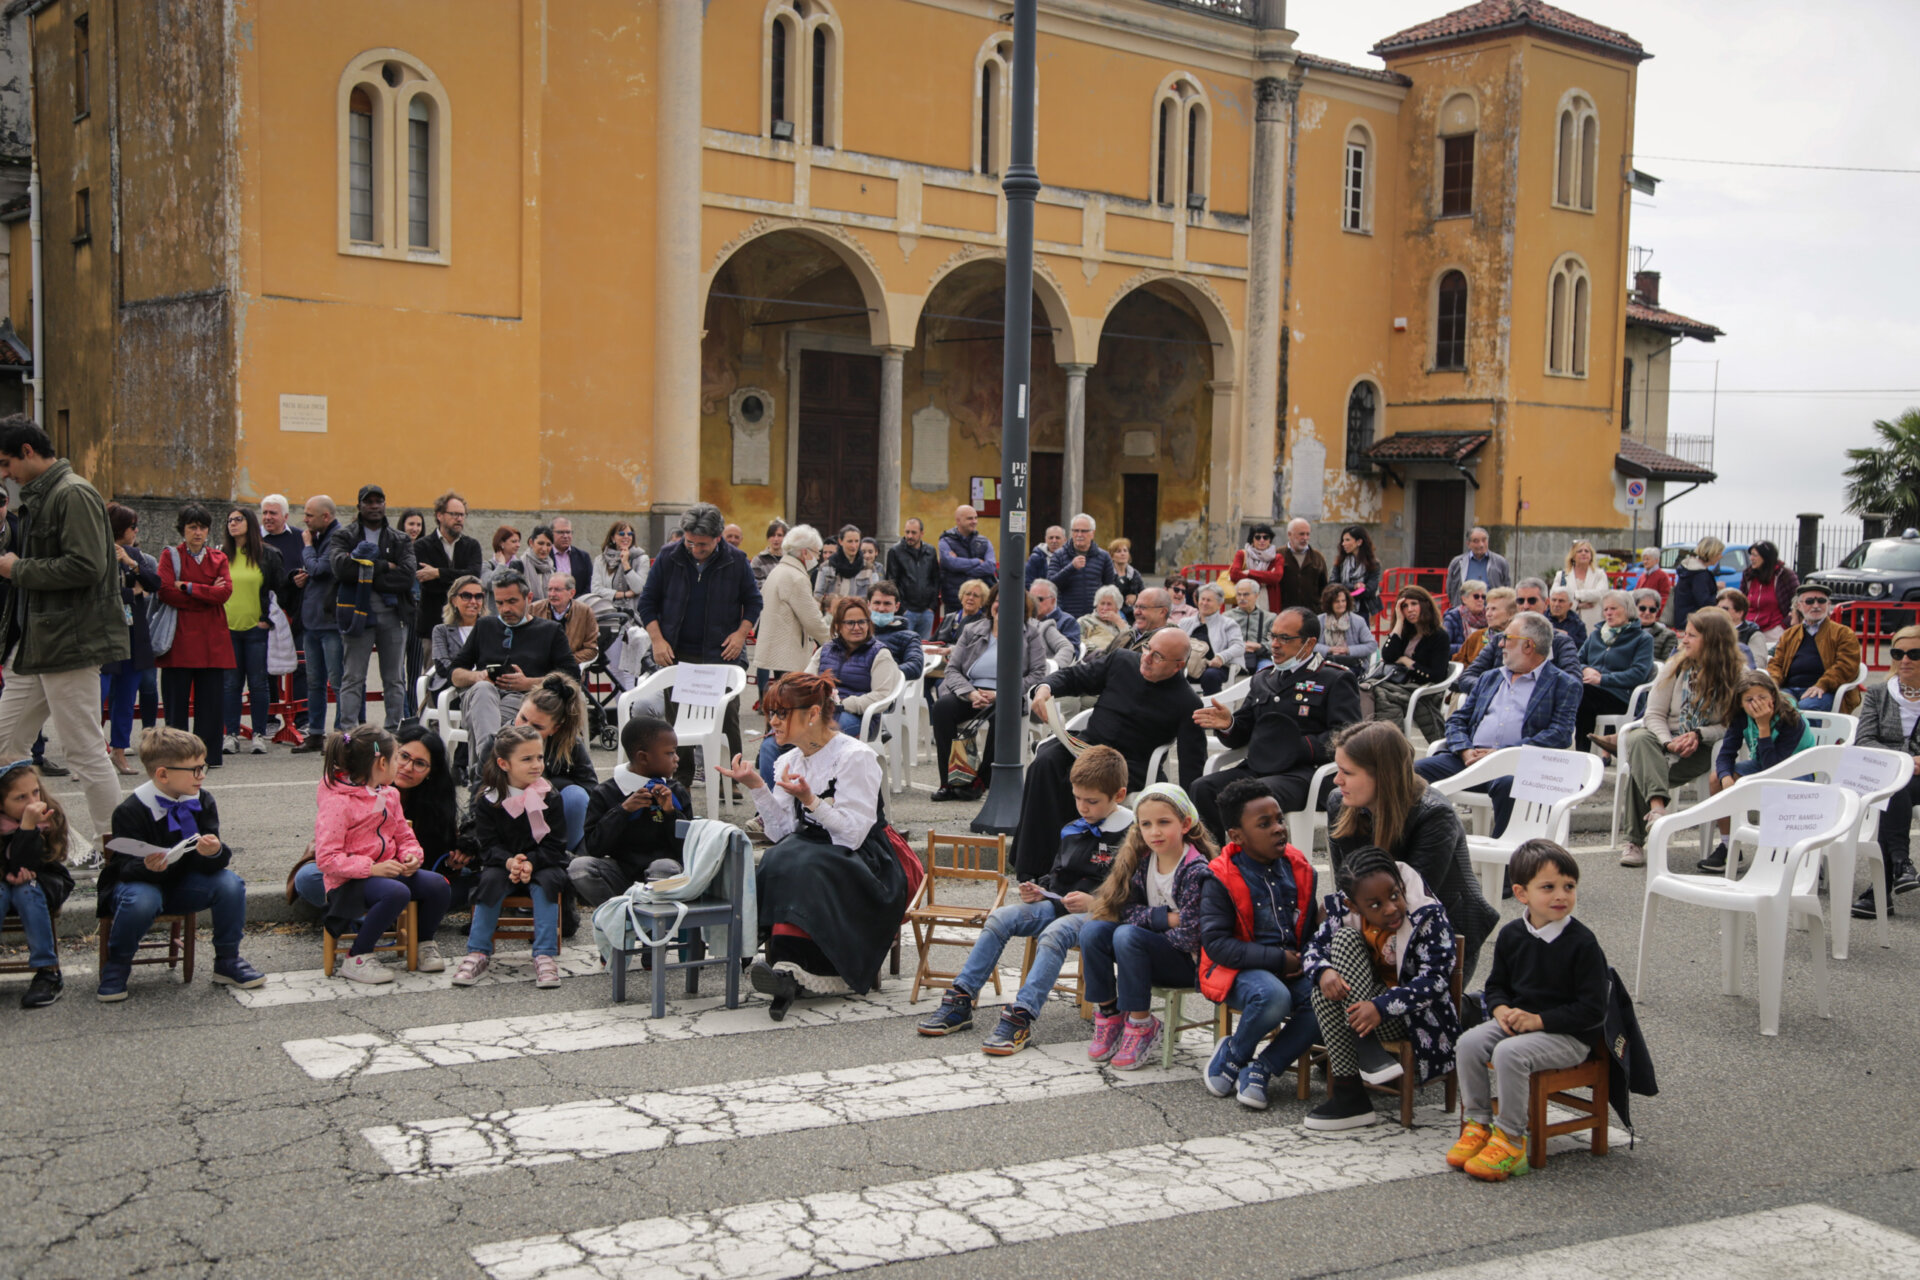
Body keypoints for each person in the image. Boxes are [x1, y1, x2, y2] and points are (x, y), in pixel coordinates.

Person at [716, 672, 909, 1018]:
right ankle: (784, 964)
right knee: (779, 857)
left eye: (781, 713)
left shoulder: (854, 756)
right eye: (770, 713)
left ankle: (808, 967)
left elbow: (851, 835)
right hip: (813, 849)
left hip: (864, 858)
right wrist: (757, 786)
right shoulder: (787, 760)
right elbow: (783, 831)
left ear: (813, 713)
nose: (773, 721)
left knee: (799, 861)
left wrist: (810, 799)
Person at [917, 745, 1133, 1054]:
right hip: (1059, 903)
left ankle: (1020, 1017)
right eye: (1077, 798)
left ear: (1119, 795)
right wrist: (1039, 888)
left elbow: (1134, 893)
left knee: (1054, 933)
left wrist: (1094, 903)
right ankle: (960, 999)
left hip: (1100, 914)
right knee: (1001, 917)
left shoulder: (1131, 833)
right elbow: (1059, 873)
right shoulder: (1073, 828)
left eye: (1092, 801)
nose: (1083, 807)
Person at [0, 416, 126, 851]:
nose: (4, 474)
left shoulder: (72, 492)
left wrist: (18, 568)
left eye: (6, 463)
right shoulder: (45, 494)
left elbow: (88, 565)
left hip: (69, 642)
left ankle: (117, 853)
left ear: (28, 452)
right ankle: (68, 848)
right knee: (3, 748)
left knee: (85, 751)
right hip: (37, 642)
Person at [1447, 839, 1608, 1182]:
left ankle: (1511, 1140)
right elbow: (1496, 986)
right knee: (1468, 1044)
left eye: (1569, 886)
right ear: (1521, 894)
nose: (1561, 895)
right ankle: (1477, 1124)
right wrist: (1501, 1008)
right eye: (1548, 887)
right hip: (1520, 1024)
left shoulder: (1582, 943)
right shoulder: (1511, 935)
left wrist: (1539, 1020)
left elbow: (1593, 1009)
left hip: (1567, 1035)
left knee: (1509, 1054)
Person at [1015, 629, 1208, 876]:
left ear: (1177, 666)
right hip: (1087, 745)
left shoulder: (1187, 701)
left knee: (1079, 780)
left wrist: (1188, 816)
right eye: (1147, 648)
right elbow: (1075, 677)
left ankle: (1063, 866)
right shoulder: (1122, 661)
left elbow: (1193, 763)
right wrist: (1044, 688)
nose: (1146, 657)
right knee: (1044, 763)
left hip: (1129, 764)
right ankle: (1031, 866)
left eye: (1157, 656)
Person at [99, 726, 265, 1000]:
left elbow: (217, 863)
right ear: (163, 774)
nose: (202, 776)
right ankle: (116, 966)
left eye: (203, 767)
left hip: (185, 885)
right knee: (143, 900)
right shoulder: (130, 810)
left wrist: (212, 852)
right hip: (139, 887)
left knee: (231, 884)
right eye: (195, 770)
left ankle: (227, 959)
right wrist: (148, 867)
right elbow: (124, 868)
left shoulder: (202, 800)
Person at [1301, 848, 1461, 1131]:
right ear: (1354, 905)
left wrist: (1381, 1007)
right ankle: (1353, 1087)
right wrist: (1323, 971)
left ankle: (1350, 1092)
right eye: (1374, 905)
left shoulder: (1428, 915)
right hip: (1366, 1010)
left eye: (1395, 895)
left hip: (1411, 1019)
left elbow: (1435, 981)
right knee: (1333, 966)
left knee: (1338, 960)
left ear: (1401, 885)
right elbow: (1313, 949)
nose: (1390, 908)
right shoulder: (1343, 910)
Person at [1326, 721, 1499, 979]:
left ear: (1382, 775)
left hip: (1441, 928)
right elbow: (1347, 885)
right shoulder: (1340, 802)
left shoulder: (1434, 814)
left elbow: (1410, 900)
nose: (1337, 780)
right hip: (1375, 921)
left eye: (1347, 773)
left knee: (1400, 1011)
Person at [1197, 779, 1323, 1110]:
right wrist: (1279, 960)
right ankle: (1235, 1052)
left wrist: (1308, 961)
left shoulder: (1301, 869)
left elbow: (1311, 931)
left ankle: (1263, 1068)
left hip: (1292, 967)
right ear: (1237, 836)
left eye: (1279, 819)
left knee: (1325, 999)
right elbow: (1216, 943)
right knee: (1273, 996)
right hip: (1235, 970)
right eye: (1264, 824)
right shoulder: (1220, 876)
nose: (1279, 829)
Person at [1190, 609, 1359, 841]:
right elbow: (1242, 732)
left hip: (1304, 772)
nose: (1275, 645)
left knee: (1254, 796)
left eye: (1285, 638)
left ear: (1309, 644)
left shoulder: (1334, 678)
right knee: (1203, 788)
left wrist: (1295, 747)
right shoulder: (1264, 677)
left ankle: (1259, 867)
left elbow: (1347, 737)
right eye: (1273, 637)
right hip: (1259, 767)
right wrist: (1228, 724)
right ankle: (1216, 861)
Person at [1080, 783, 1214, 1070]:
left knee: (1129, 936)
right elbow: (1124, 909)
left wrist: (1144, 926)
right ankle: (1110, 1013)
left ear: (1185, 823)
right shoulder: (1143, 862)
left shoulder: (1196, 870)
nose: (1155, 832)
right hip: (1148, 951)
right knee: (1093, 930)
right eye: (1146, 824)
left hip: (1187, 964)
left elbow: (1190, 935)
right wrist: (1163, 919)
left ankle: (1141, 1024)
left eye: (1164, 822)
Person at [1417, 613, 1582, 837]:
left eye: (1507, 638)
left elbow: (1560, 734)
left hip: (1515, 766)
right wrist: (1464, 749)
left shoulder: (1564, 684)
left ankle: (1505, 863)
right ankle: (1424, 847)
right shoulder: (1489, 678)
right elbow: (1458, 719)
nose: (1500, 643)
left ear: (1528, 645)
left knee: (1509, 785)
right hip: (1470, 760)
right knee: (1412, 773)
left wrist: (1501, 755)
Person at [313, 725, 452, 983]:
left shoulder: (389, 794)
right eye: (398, 757)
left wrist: (412, 856)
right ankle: (358, 956)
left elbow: (404, 835)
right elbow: (327, 858)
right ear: (382, 763)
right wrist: (372, 869)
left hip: (385, 873)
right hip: (348, 883)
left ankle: (423, 942)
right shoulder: (338, 801)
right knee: (396, 892)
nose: (400, 766)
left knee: (438, 885)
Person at [638, 503, 762, 783]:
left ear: (718, 538)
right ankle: (680, 778)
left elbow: (754, 602)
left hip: (722, 653)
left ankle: (733, 779)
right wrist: (657, 640)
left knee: (727, 715)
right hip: (678, 651)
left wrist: (741, 634)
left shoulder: (736, 560)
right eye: (690, 542)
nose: (695, 549)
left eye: (703, 545)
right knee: (677, 721)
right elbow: (646, 603)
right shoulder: (669, 557)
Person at [1616, 607, 1744, 868]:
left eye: (1692, 636)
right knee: (1640, 739)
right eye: (1684, 634)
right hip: (1665, 739)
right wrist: (1668, 742)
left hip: (1704, 748)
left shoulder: (1736, 676)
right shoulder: (1675, 666)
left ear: (1713, 640)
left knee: (1642, 765)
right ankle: (1657, 806)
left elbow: (1732, 726)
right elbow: (1653, 714)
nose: (1683, 640)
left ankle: (1634, 841)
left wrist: (1699, 734)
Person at [291, 723, 466, 910]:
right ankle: (366, 915)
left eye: (420, 764)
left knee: (450, 884)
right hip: (350, 870)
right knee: (307, 878)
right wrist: (371, 869)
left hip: (396, 875)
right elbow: (330, 854)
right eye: (403, 756)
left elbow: (430, 858)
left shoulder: (435, 803)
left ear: (432, 772)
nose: (407, 767)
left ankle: (381, 913)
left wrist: (422, 860)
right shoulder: (356, 789)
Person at [453, 725, 569, 989]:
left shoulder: (550, 796)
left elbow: (556, 845)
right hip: (502, 863)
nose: (536, 764)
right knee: (490, 881)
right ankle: (478, 951)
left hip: (542, 862)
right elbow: (487, 845)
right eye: (527, 759)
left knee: (549, 883)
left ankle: (544, 954)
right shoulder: (488, 799)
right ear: (504, 763)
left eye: (539, 757)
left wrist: (530, 862)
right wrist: (509, 862)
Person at [755, 596, 901, 783]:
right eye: (850, 623)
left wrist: (845, 704)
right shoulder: (825, 650)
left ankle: (814, 800)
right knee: (770, 746)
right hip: (817, 713)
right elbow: (805, 684)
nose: (857, 627)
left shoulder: (880, 654)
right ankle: (775, 807)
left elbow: (883, 695)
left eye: (862, 622)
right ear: (838, 625)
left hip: (858, 717)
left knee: (824, 737)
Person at [929, 592, 1053, 802]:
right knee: (942, 708)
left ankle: (981, 780)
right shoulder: (972, 630)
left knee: (1003, 715)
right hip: (971, 692)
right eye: (998, 601)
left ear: (1021, 609)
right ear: (991, 605)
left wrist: (1001, 695)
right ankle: (951, 782)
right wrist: (971, 693)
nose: (1002, 606)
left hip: (1007, 696)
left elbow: (1038, 674)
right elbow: (952, 670)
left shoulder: (1031, 634)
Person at [1698, 669, 1816, 873]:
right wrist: (1726, 778)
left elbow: (1775, 771)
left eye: (1762, 697)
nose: (1756, 704)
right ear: (1740, 702)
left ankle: (1795, 852)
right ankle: (1728, 845)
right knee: (1716, 778)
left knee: (1777, 788)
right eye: (1749, 699)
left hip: (1796, 769)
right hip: (1764, 763)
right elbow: (1726, 754)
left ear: (1773, 696)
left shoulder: (1790, 719)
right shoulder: (1741, 715)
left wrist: (1763, 727)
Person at [567, 714, 690, 908]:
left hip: (664, 873)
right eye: (670, 753)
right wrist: (622, 811)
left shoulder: (675, 792)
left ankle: (652, 927)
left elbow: (687, 848)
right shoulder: (606, 792)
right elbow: (594, 847)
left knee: (663, 868)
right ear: (643, 757)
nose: (676, 759)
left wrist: (670, 813)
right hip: (622, 873)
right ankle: (622, 918)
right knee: (579, 868)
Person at [449, 570, 581, 748]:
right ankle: (489, 761)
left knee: (494, 718)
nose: (505, 609)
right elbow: (455, 673)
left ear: (528, 598)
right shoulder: (485, 626)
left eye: (512, 601)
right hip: (481, 698)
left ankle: (482, 767)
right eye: (499, 603)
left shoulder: (550, 631)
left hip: (524, 699)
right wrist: (477, 676)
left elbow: (572, 676)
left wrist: (529, 683)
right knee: (483, 689)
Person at [328, 484, 417, 731]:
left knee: (395, 679)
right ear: (359, 506)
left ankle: (395, 731)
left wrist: (364, 572)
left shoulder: (400, 538)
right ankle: (347, 733)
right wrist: (384, 566)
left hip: (393, 615)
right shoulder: (344, 536)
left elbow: (407, 577)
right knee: (352, 678)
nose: (374, 506)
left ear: (385, 505)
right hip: (356, 615)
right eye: (369, 502)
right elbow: (340, 569)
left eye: (379, 501)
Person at [1849, 624, 1920, 919]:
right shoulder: (1879, 692)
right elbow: (1864, 739)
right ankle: (1901, 863)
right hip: (1886, 774)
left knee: (1894, 791)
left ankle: (1881, 889)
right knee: (1895, 788)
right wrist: (1904, 761)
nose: (1904, 659)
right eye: (1898, 653)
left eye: (1914, 653)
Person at [157, 504, 236, 770]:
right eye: (192, 527)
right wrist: (206, 594)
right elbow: (166, 591)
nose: (198, 532)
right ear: (183, 529)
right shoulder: (170, 556)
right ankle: (176, 756)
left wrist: (189, 587)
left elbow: (224, 594)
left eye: (202, 527)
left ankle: (208, 755)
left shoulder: (219, 558)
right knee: (176, 703)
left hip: (212, 640)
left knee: (211, 704)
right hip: (179, 639)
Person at [0, 760, 75, 1007]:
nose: (33, 802)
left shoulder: (48, 817)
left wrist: (28, 827)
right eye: (20, 797)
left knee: (26, 890)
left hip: (43, 881)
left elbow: (30, 864)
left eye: (35, 792)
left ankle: (47, 971)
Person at [498, 672, 598, 856]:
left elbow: (592, 790)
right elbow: (480, 791)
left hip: (555, 819)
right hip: (510, 821)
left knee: (577, 796)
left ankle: (566, 858)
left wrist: (549, 790)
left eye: (537, 727)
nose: (524, 728)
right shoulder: (498, 742)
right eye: (523, 718)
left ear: (555, 729)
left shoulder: (570, 744)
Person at [102, 504, 161, 776]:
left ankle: (119, 750)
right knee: (97, 698)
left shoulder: (134, 554)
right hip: (105, 636)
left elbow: (154, 584)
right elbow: (103, 596)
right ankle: (89, 757)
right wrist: (133, 593)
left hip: (134, 636)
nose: (136, 531)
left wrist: (131, 563)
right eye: (132, 526)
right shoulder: (96, 551)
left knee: (126, 698)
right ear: (118, 528)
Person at [221, 507, 284, 755]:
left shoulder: (268, 554)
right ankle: (231, 734)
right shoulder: (221, 554)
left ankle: (259, 733)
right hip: (227, 627)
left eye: (238, 519)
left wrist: (268, 619)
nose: (233, 524)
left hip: (256, 628)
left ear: (249, 522)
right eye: (229, 520)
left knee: (259, 683)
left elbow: (280, 590)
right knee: (230, 685)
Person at [753, 523, 830, 700]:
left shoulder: (779, 570)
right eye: (817, 552)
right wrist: (833, 642)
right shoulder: (796, 577)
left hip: (777, 649)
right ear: (805, 552)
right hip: (788, 652)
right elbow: (812, 620)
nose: (817, 558)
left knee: (779, 700)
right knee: (790, 704)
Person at [1365, 585, 1452, 739]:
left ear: (1424, 605)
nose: (1410, 609)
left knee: (1381, 695)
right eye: (1404, 606)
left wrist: (1406, 661)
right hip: (1397, 685)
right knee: (1366, 690)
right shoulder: (1406, 632)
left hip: (1421, 688)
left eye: (1414, 604)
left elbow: (1437, 675)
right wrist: (1398, 621)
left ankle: (1391, 744)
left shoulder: (1439, 636)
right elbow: (1388, 655)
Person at [1574, 591, 1655, 753]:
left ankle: (1582, 754)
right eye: (1605, 610)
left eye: (1613, 608)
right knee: (1575, 691)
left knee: (1582, 694)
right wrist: (1585, 669)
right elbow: (1576, 661)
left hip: (1622, 697)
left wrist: (1603, 679)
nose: (1609, 613)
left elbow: (1639, 674)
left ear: (1628, 610)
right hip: (1592, 693)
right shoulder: (1596, 635)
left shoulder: (1642, 639)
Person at [1765, 582, 1860, 712]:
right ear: (1799, 606)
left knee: (1807, 707)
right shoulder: (1789, 635)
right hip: (1790, 689)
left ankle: (1807, 733)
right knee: (1778, 705)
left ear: (1828, 604)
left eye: (1821, 601)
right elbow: (1776, 663)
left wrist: (1822, 685)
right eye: (1809, 601)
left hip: (1824, 690)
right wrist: (1774, 683)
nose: (1815, 606)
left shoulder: (1843, 633)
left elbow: (1847, 666)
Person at [295, 497, 343, 750]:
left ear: (326, 516)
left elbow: (320, 569)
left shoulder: (337, 537)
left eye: (309, 515)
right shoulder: (318, 537)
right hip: (312, 621)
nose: (305, 520)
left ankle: (340, 736)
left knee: (338, 681)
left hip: (331, 623)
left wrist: (306, 547)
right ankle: (315, 733)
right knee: (314, 682)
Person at [1462, 580, 1582, 681]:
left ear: (1546, 603)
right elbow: (1468, 676)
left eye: (1532, 601)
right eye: (1520, 601)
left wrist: (1534, 689)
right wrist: (1498, 690)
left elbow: (1573, 680)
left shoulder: (1560, 641)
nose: (1525, 606)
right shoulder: (1499, 639)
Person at [415, 491, 483, 661]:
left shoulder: (472, 546)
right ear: (439, 515)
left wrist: (438, 573)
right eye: (454, 514)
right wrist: (459, 579)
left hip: (467, 624)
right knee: (433, 677)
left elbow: (474, 576)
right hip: (433, 623)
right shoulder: (422, 546)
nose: (459, 519)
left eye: (462, 515)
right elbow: (428, 584)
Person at [259, 494, 307, 721]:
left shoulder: (300, 538)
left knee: (301, 663)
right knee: (266, 666)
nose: (268, 518)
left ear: (285, 516)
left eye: (273, 513)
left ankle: (301, 718)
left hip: (297, 611)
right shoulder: (254, 539)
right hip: (265, 611)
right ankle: (268, 718)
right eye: (265, 513)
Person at [593, 520, 650, 679]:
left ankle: (631, 704)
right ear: (612, 537)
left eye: (629, 534)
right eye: (621, 533)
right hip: (610, 619)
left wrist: (625, 563)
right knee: (615, 668)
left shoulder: (641, 558)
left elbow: (638, 587)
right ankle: (620, 705)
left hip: (633, 620)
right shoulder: (600, 560)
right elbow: (596, 589)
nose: (626, 537)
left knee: (631, 670)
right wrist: (624, 594)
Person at [1180, 583, 1246, 696]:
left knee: (1210, 676)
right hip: (1188, 665)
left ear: (1220, 604)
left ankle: (1211, 710)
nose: (1204, 603)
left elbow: (1239, 646)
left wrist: (1221, 657)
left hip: (1216, 667)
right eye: (1202, 599)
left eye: (1209, 600)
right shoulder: (1185, 622)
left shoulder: (1228, 624)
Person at [1047, 514, 1116, 619]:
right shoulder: (1059, 555)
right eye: (1075, 531)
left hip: (1095, 618)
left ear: (1092, 533)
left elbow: (1110, 587)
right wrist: (1071, 567)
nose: (1079, 534)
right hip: (1067, 617)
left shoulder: (1103, 556)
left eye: (1084, 531)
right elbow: (1050, 585)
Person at [883, 517, 939, 638]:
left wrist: (932, 607)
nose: (909, 536)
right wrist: (902, 609)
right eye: (907, 532)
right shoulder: (895, 551)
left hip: (926, 611)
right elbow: (892, 582)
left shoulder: (930, 551)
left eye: (913, 532)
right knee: (904, 646)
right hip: (906, 612)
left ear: (922, 533)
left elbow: (935, 579)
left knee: (924, 649)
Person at [530, 573, 599, 670]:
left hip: (570, 668)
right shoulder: (533, 609)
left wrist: (566, 661)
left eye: (557, 590)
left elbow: (591, 649)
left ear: (571, 593)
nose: (552, 594)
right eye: (549, 589)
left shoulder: (585, 612)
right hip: (538, 668)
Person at [937, 504, 997, 611]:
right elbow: (950, 563)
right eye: (970, 518)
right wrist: (977, 561)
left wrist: (962, 570)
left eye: (975, 518)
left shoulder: (984, 542)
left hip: (981, 604)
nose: (974, 521)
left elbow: (991, 566)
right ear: (958, 521)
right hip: (954, 602)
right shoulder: (945, 541)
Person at [865, 581, 925, 683]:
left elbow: (915, 667)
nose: (881, 608)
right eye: (877, 603)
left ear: (896, 607)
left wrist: (882, 673)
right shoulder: (858, 632)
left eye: (887, 603)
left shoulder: (910, 638)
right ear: (868, 605)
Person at [1316, 582, 1377, 676]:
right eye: (1337, 601)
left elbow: (1372, 645)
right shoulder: (1319, 620)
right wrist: (1329, 649)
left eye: (1343, 601)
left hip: (1351, 665)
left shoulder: (1358, 621)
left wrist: (1347, 650)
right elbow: (1309, 644)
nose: (1341, 604)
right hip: (1324, 663)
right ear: (1329, 603)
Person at [1741, 540, 1796, 640]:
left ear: (1766, 557)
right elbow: (1741, 600)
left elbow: (1797, 601)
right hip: (1750, 629)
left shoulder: (1785, 575)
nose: (1751, 558)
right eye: (1751, 555)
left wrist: (1785, 625)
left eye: (1755, 555)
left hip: (1775, 630)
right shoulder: (1748, 575)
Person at [1446, 526, 1512, 605]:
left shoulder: (1500, 562)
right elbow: (1450, 589)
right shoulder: (1457, 563)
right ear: (1468, 544)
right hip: (1464, 611)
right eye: (1476, 541)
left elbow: (1506, 587)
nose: (1481, 545)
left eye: (1484, 540)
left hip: (1491, 610)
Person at [1229, 523, 1285, 613]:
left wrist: (1249, 572)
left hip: (1267, 600)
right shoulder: (1242, 554)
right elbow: (1234, 575)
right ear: (1252, 539)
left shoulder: (1277, 557)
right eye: (1258, 537)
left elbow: (1276, 577)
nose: (1262, 540)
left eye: (1265, 537)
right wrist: (1266, 577)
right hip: (1244, 598)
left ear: (1270, 539)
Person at [1553, 540, 1610, 629]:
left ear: (1591, 556)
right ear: (1573, 556)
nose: (1583, 553)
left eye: (1586, 551)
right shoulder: (1561, 576)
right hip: (1568, 624)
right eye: (1579, 551)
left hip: (1593, 624)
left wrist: (1574, 594)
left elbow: (1600, 594)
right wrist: (1577, 605)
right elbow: (1554, 597)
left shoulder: (1600, 574)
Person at [1671, 536, 1724, 632]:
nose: (1721, 556)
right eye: (1719, 553)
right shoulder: (1700, 574)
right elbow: (1705, 603)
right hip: (1696, 624)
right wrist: (1720, 594)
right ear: (1712, 553)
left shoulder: (1688, 569)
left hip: (1683, 620)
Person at [1278, 519, 1330, 614]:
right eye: (1301, 534)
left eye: (1308, 534)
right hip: (1285, 613)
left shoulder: (1317, 557)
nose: (1305, 538)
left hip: (1312, 613)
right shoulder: (1278, 555)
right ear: (1289, 534)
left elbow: (1324, 587)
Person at [1331, 525, 1382, 619]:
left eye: (1347, 540)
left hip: (1363, 610)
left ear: (1359, 542)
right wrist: (1354, 586)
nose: (1343, 544)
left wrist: (1346, 591)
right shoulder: (1340, 562)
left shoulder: (1373, 563)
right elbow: (1333, 585)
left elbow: (1370, 590)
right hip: (1341, 609)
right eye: (1343, 540)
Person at [815, 524, 871, 602]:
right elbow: (818, 595)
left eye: (857, 541)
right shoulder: (826, 566)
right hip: (832, 612)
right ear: (840, 541)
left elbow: (873, 596)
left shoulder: (868, 568)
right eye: (850, 541)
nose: (854, 545)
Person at [1230, 579, 1275, 671]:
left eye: (1246, 594)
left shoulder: (1270, 617)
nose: (1242, 598)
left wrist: (1260, 647)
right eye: (1239, 594)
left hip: (1260, 657)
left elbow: (1277, 642)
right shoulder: (1227, 617)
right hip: (1232, 657)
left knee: (1267, 670)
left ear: (1256, 595)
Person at [933, 576, 990, 647]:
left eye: (975, 596)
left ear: (982, 602)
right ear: (962, 597)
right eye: (968, 594)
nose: (971, 598)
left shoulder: (983, 622)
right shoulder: (949, 617)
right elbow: (933, 642)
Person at [1716, 587, 1765, 669]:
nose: (1718, 612)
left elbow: (1757, 665)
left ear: (1739, 613)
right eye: (1717, 608)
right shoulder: (1712, 631)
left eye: (1724, 609)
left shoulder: (1753, 634)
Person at [1029, 579, 1082, 649]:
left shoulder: (1067, 622)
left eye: (1039, 599)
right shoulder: (1025, 620)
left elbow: (1071, 652)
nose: (1034, 603)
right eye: (1031, 599)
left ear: (1053, 601)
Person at [1079, 585, 1131, 655]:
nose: (1105, 608)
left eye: (1109, 604)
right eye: (1102, 603)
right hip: (1095, 660)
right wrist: (1100, 650)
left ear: (1117, 608)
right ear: (1097, 605)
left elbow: (1131, 643)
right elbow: (1078, 641)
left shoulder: (1121, 623)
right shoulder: (1085, 621)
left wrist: (1118, 621)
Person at [1632, 587, 1679, 662]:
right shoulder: (1624, 630)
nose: (1647, 612)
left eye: (1652, 610)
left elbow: (1668, 663)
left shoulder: (1668, 636)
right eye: (1642, 608)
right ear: (1634, 609)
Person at [550, 517, 595, 595]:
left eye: (568, 532)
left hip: (579, 602)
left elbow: (590, 584)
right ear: (551, 534)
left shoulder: (583, 557)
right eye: (561, 532)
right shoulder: (546, 556)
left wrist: (576, 602)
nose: (565, 536)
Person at [1443, 580, 1489, 656]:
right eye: (1476, 596)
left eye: (1483, 597)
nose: (1480, 600)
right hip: (1461, 663)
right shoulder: (1452, 618)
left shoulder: (1489, 616)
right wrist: (1469, 648)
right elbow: (1444, 646)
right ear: (1464, 599)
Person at [481, 525, 523, 606]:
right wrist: (501, 565)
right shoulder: (487, 565)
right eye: (514, 541)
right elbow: (490, 584)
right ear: (501, 543)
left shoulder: (519, 565)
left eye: (518, 541)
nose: (518, 545)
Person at [1122, 587, 1172, 652]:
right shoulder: (1125, 635)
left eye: (1143, 607)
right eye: (1136, 607)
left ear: (1162, 612)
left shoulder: (1169, 643)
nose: (1137, 612)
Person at [517, 525, 559, 601]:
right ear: (531, 542)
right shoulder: (519, 565)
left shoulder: (551, 568)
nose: (544, 549)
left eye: (548, 545)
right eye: (541, 543)